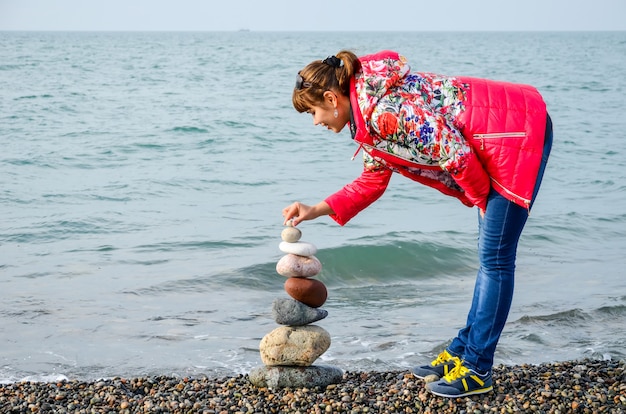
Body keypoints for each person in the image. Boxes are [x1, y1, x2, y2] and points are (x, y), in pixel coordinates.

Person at [282, 50, 552, 398]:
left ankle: (477, 368)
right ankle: (462, 351)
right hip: (494, 139)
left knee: (496, 260)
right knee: (490, 259)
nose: (315, 122)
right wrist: (315, 209)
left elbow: (456, 154)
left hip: (515, 134)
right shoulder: (368, 116)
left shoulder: (385, 112)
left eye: (313, 112)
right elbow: (371, 182)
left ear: (333, 99)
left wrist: (480, 199)